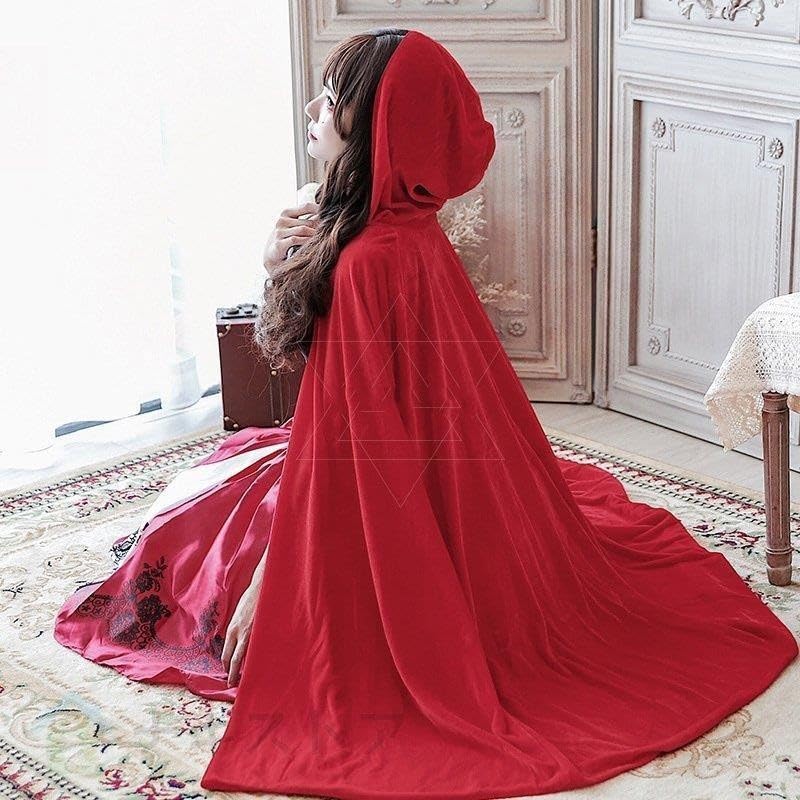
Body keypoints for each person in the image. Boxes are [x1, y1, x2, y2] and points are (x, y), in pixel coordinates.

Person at [54, 27, 798, 800]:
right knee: (213, 489)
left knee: (183, 544)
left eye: (332, 101)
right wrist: (276, 262)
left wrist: (273, 578)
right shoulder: (390, 226)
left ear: (378, 127)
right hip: (407, 467)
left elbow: (343, 445)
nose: (312, 111)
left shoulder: (367, 259)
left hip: (370, 484)